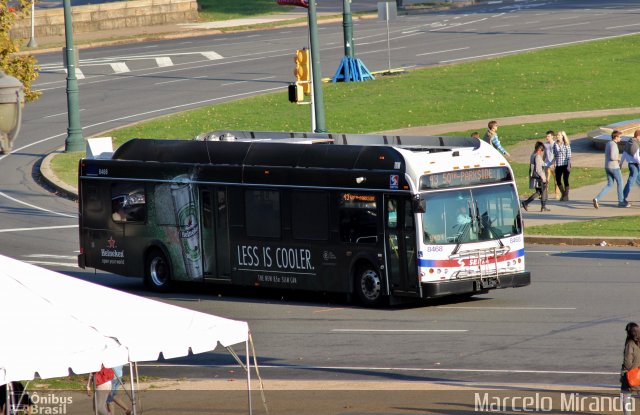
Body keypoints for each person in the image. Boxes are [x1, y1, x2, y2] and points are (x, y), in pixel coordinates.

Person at [593, 130, 629, 208]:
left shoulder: (608, 143)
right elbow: (613, 157)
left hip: (607, 167)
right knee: (620, 183)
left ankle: (597, 199)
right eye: (620, 137)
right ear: (615, 137)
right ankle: (621, 202)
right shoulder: (613, 145)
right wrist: (618, 159)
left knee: (610, 184)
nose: (621, 138)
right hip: (614, 167)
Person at [521, 141, 550, 212]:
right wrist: (543, 178)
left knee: (539, 192)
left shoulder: (532, 155)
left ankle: (527, 203)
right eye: (542, 150)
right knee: (542, 191)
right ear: (539, 149)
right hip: (538, 178)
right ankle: (542, 206)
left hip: (534, 177)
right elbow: (538, 169)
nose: (542, 152)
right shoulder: (537, 156)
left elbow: (533, 167)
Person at [620, 322, 640, 415]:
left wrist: (624, 371)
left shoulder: (630, 344)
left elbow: (628, 362)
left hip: (631, 374)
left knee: (626, 397)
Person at [622, 129, 640, 205]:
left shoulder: (629, 142)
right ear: (638, 136)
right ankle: (622, 198)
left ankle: (622, 197)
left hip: (633, 164)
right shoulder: (634, 144)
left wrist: (621, 163)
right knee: (631, 181)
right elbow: (636, 157)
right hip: (634, 165)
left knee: (636, 181)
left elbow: (624, 153)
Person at [553, 130, 572, 201]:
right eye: (557, 135)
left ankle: (566, 195)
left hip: (565, 164)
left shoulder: (566, 144)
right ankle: (563, 194)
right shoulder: (555, 144)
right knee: (558, 180)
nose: (557, 136)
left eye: (558, 135)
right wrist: (554, 162)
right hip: (558, 164)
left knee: (565, 179)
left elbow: (569, 155)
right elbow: (554, 154)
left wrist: (568, 165)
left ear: (562, 136)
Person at [542, 130, 559, 199]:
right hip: (547, 165)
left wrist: (555, 162)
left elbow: (557, 155)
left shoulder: (555, 144)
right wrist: (542, 163)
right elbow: (545, 154)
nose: (547, 137)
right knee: (546, 180)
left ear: (552, 136)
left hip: (554, 165)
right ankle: (545, 194)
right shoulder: (545, 144)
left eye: (548, 136)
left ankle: (557, 194)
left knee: (556, 180)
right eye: (546, 136)